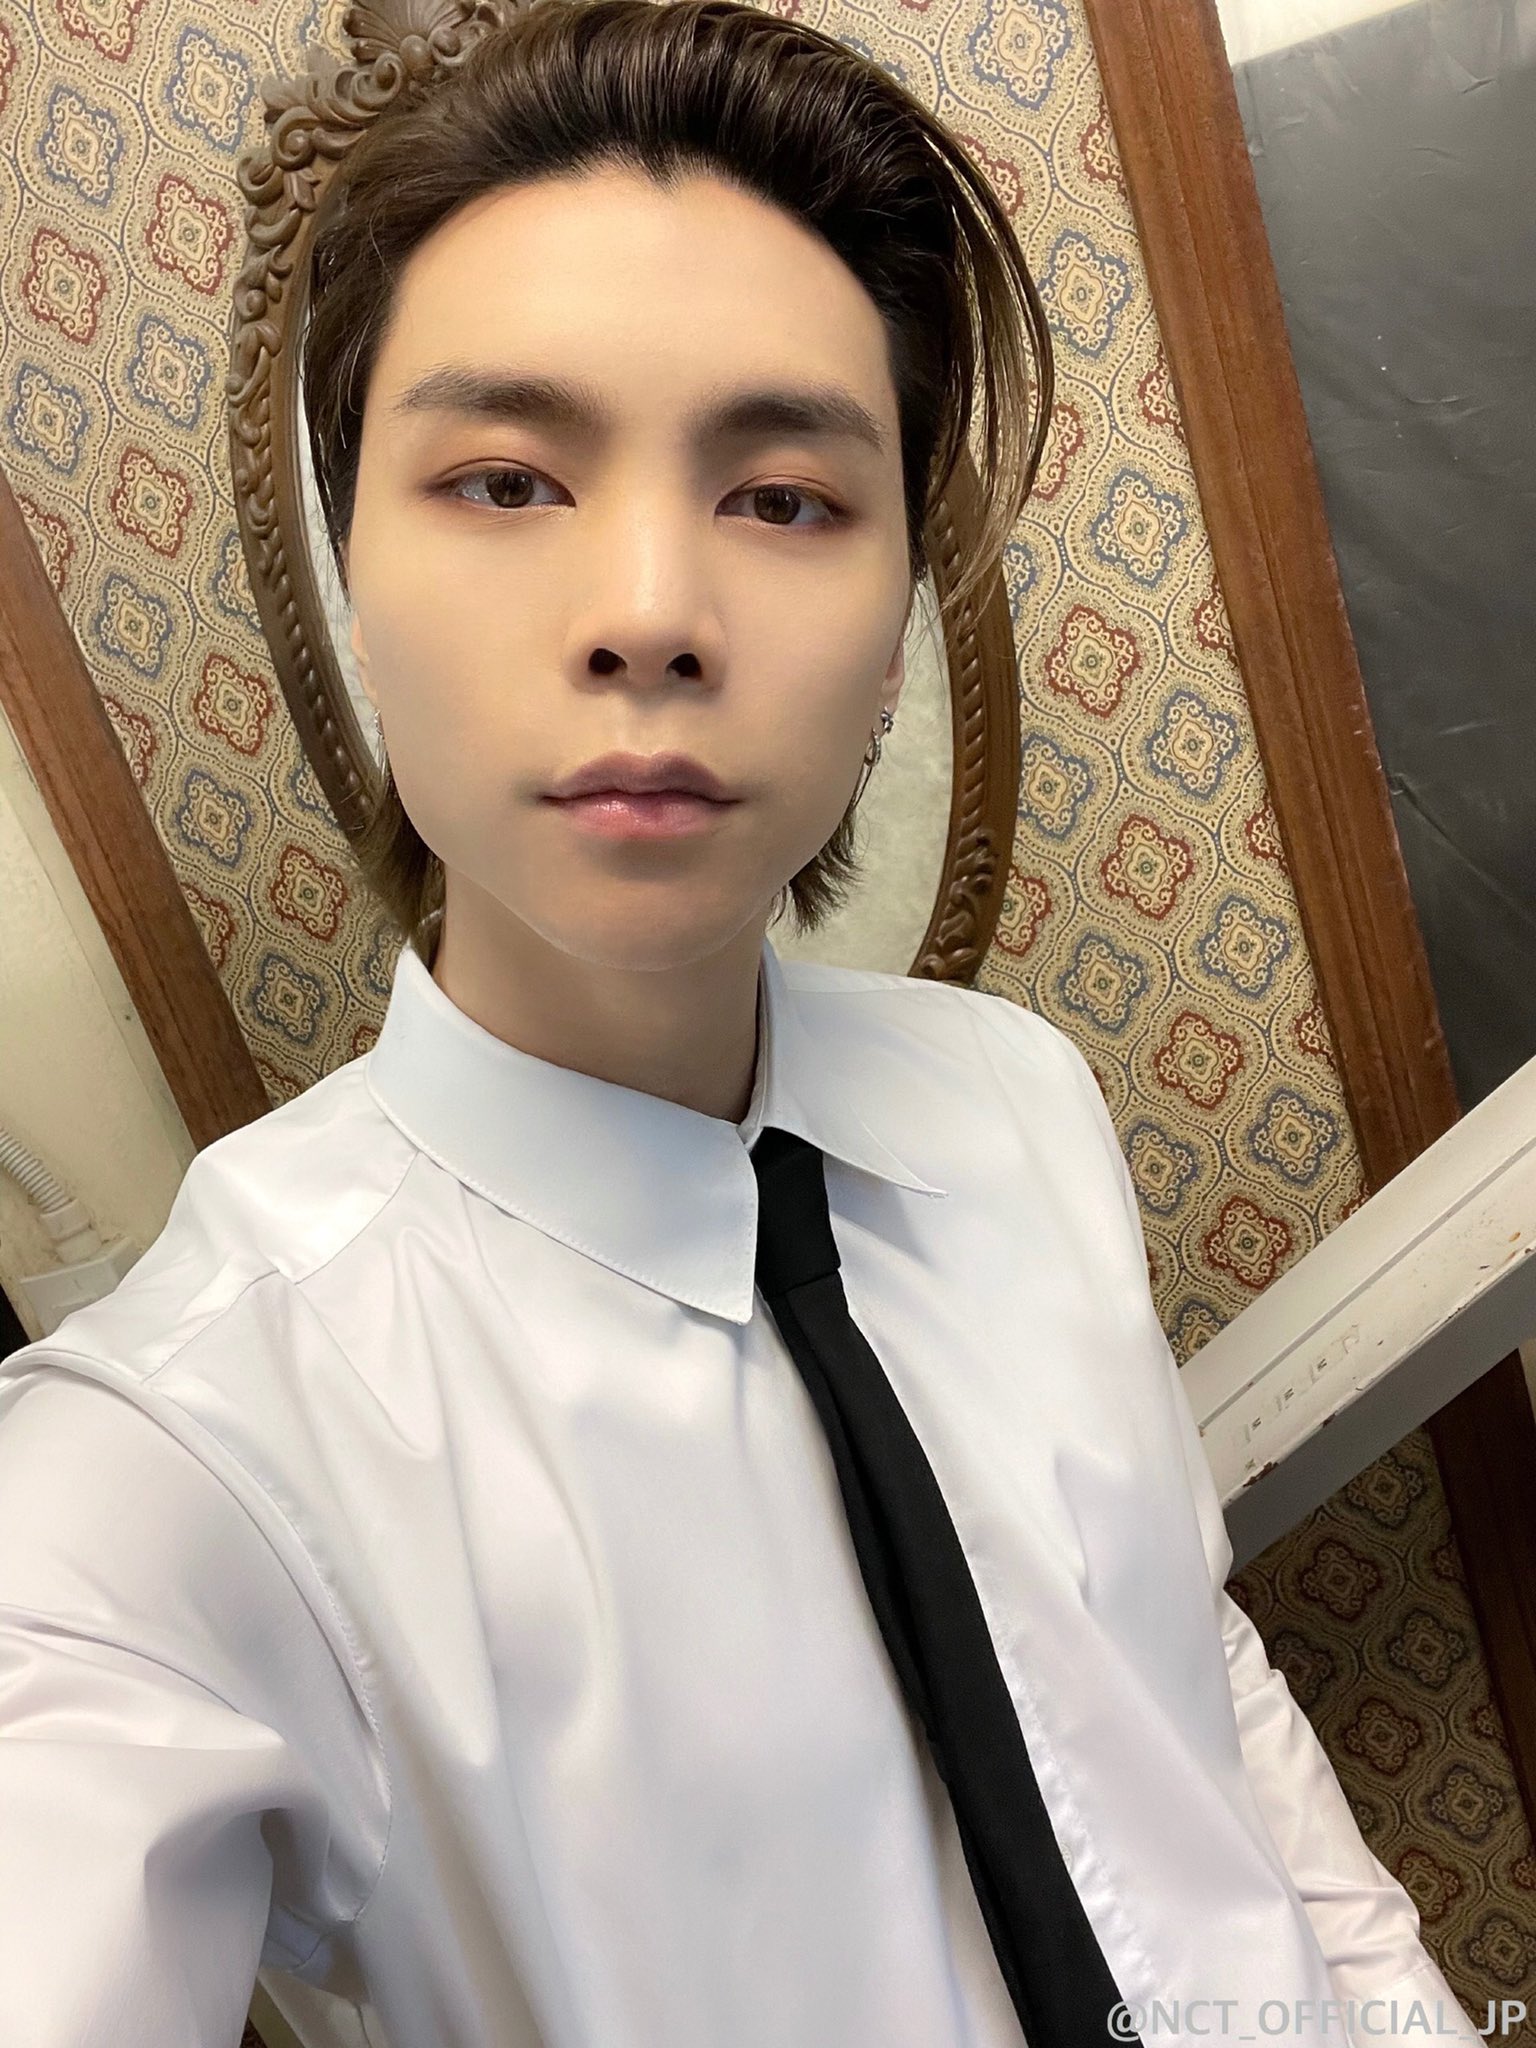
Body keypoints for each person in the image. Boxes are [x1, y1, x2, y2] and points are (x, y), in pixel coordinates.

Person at [0, 4, 1482, 2044]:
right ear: (356, 585)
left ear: (896, 626)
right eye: (506, 478)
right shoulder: (187, 1468)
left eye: (784, 498)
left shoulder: (1018, 1103)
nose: (650, 610)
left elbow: (1179, 1667)